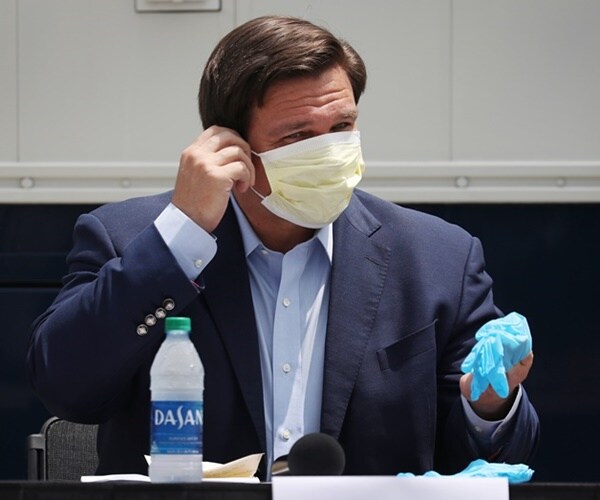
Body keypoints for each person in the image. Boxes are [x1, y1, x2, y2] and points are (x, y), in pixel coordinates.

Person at [27, 15, 539, 479]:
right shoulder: (128, 236)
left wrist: (487, 407)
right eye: (297, 137)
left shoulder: (438, 257)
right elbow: (66, 388)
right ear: (231, 147)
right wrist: (182, 236)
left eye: (342, 127)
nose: (328, 152)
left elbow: (492, 462)